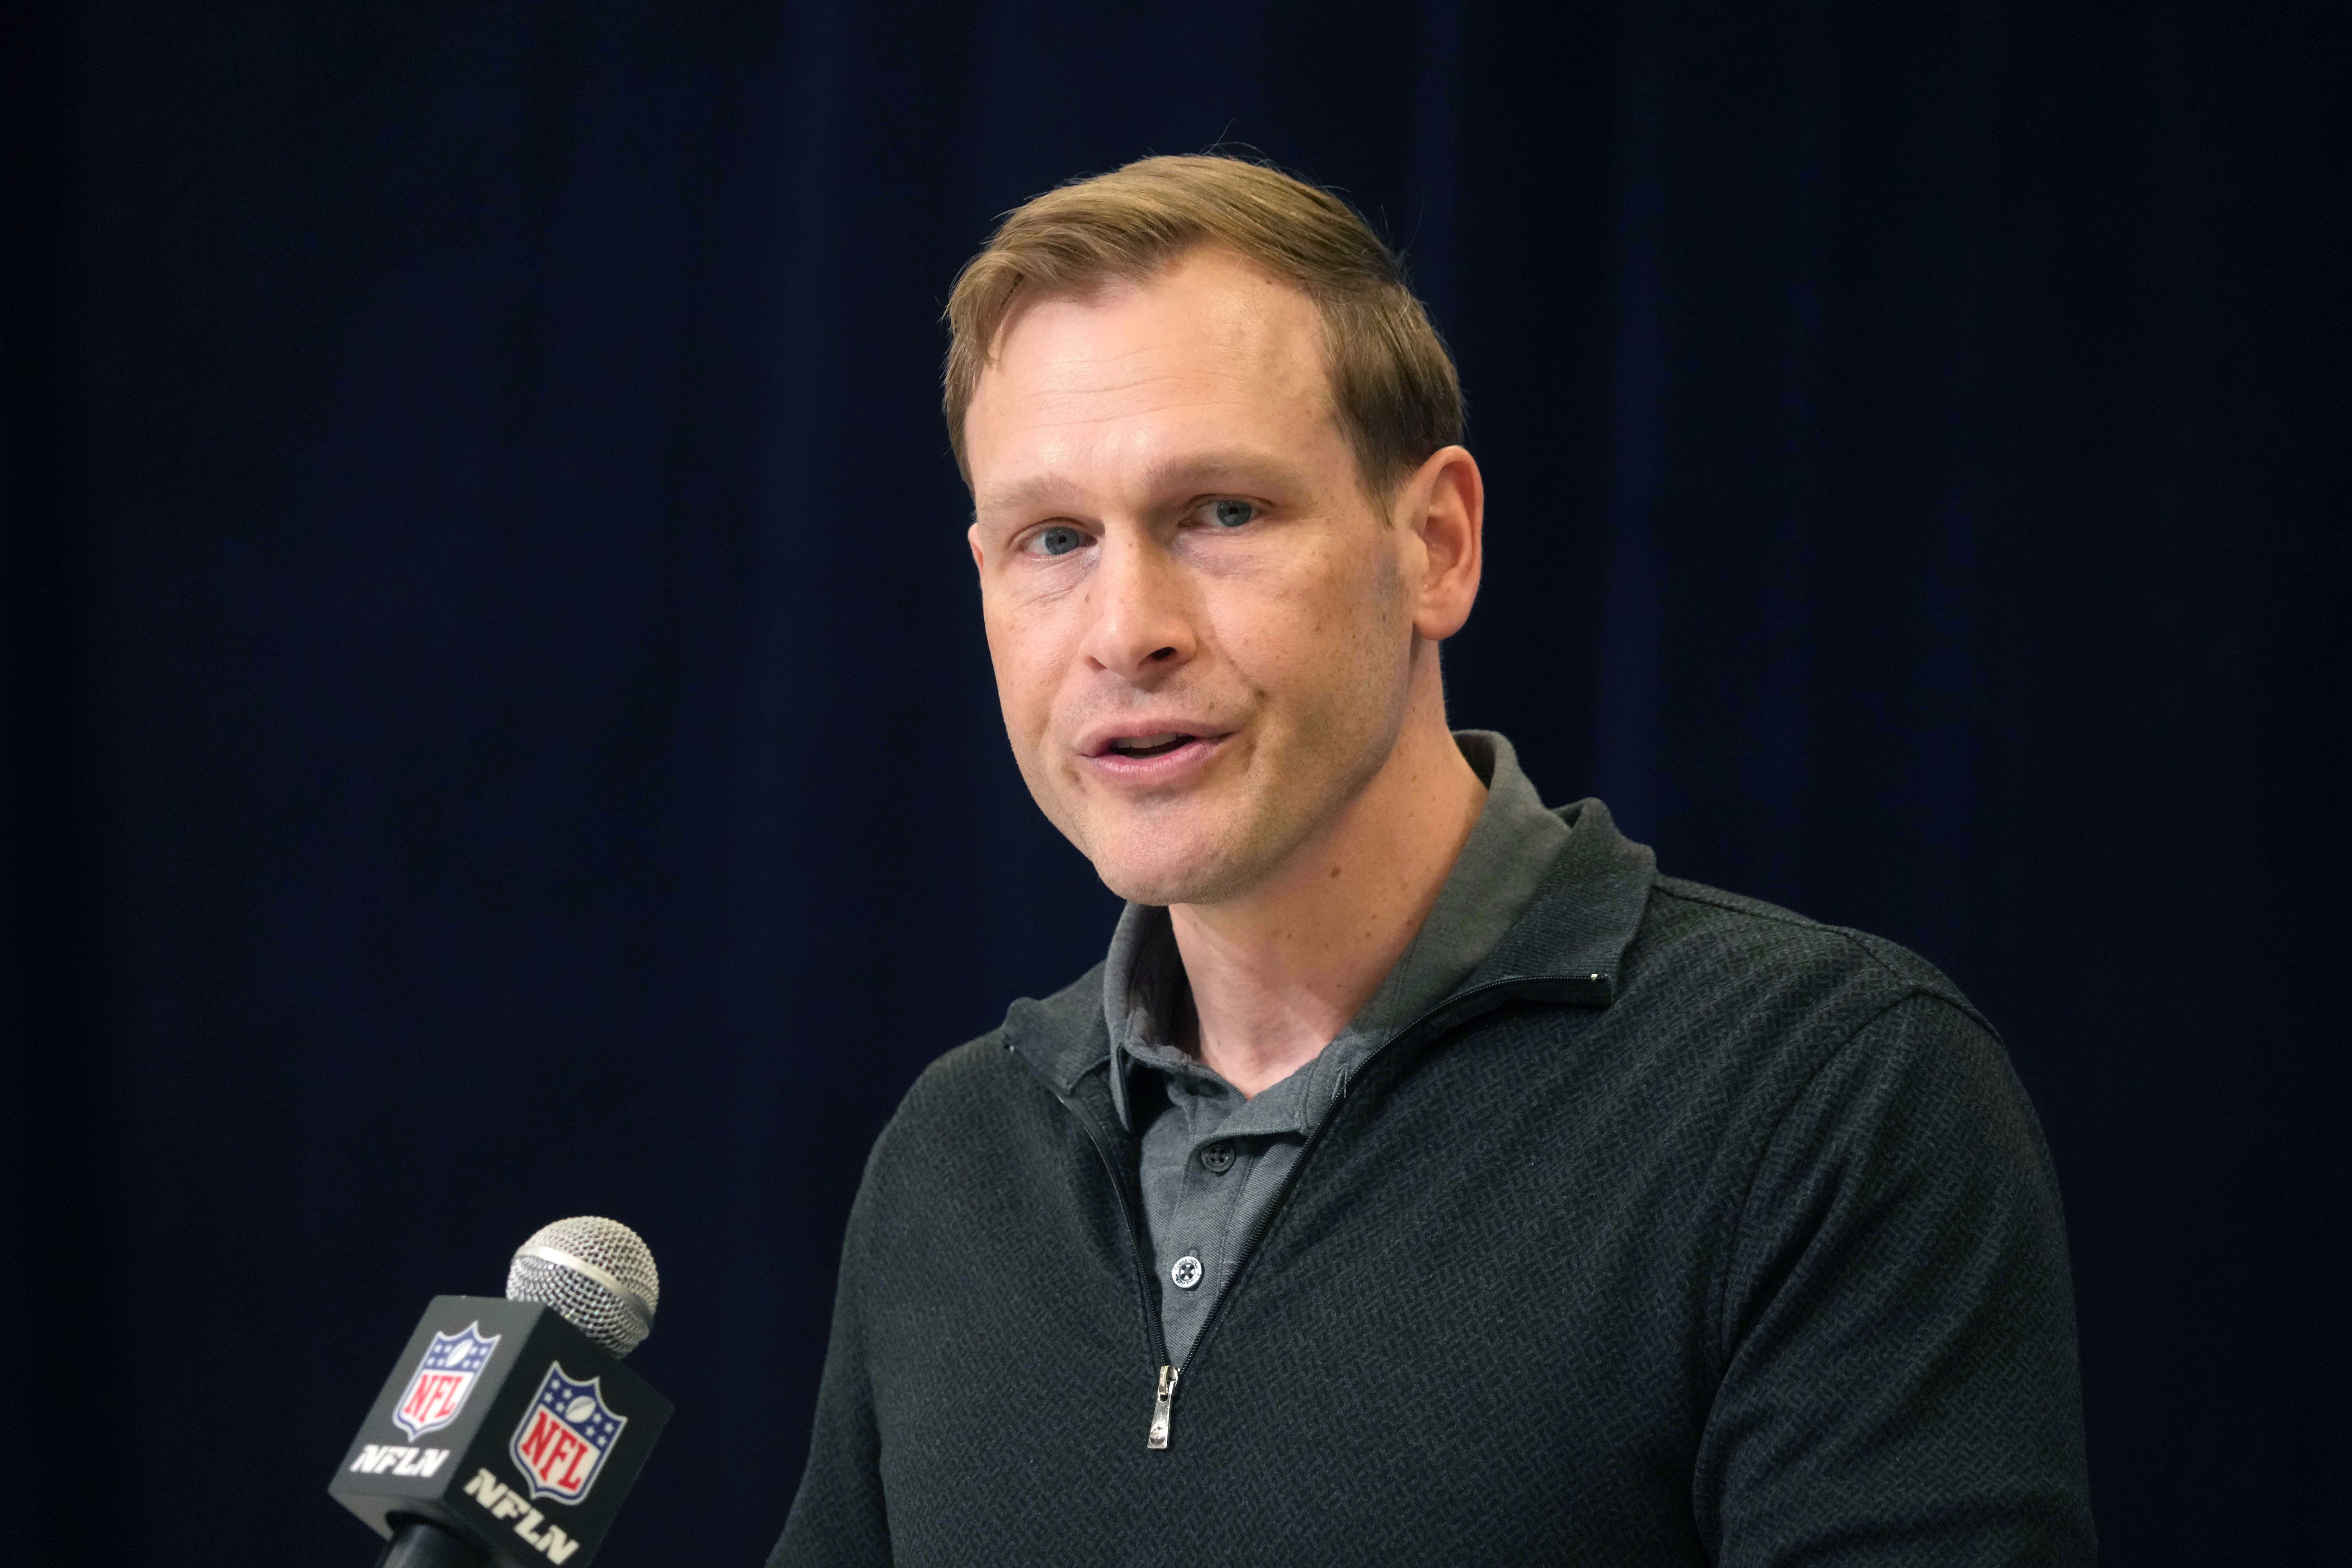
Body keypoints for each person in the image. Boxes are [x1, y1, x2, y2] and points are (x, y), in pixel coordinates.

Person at [769, 155, 2094, 1565]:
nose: (1126, 629)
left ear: (1438, 546)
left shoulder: (1818, 1094)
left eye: (1222, 513)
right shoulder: (961, 1156)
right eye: (1055, 540)